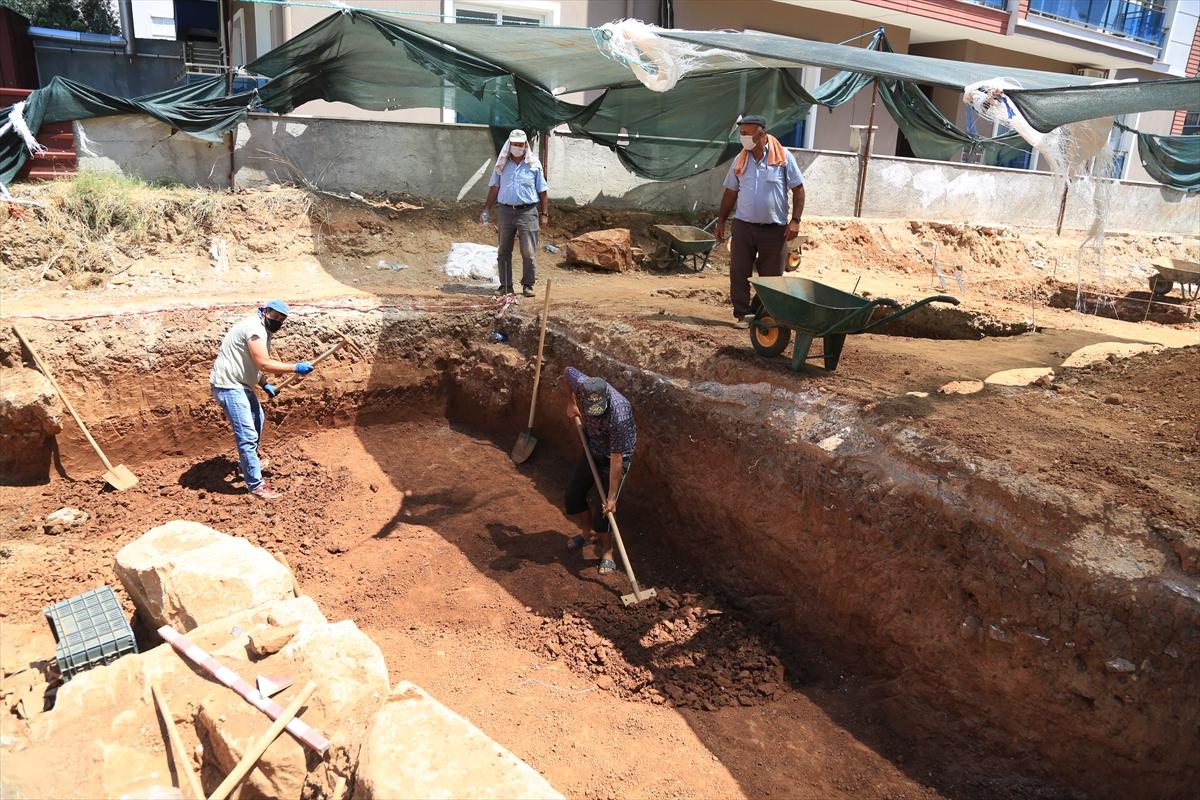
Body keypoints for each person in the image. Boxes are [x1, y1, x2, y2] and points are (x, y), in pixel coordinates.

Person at [209, 300, 315, 500]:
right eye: (275, 316)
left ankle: (246, 466)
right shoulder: (255, 329)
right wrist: (295, 367)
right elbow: (263, 363)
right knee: (247, 435)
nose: (278, 321)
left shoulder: (263, 330)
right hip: (229, 386)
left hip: (242, 384)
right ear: (265, 311)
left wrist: (264, 383)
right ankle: (256, 486)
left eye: (281, 319)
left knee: (258, 420)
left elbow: (250, 362)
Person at [714, 114, 806, 328]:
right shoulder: (740, 159)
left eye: (746, 133)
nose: (743, 137)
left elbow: (798, 189)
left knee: (772, 278)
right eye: (741, 133)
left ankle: (759, 312)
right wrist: (721, 220)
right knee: (739, 272)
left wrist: (795, 221)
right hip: (744, 227)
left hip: (775, 230)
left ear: (761, 134)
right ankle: (742, 314)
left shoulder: (783, 158)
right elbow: (731, 192)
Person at [563, 367, 636, 575]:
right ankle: (588, 533)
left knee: (604, 512)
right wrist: (571, 403)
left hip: (614, 456)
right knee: (573, 495)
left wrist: (611, 498)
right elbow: (567, 372)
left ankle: (607, 552)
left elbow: (616, 458)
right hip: (593, 446)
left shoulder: (619, 414)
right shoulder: (581, 383)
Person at [482, 129, 549, 298]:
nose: (517, 147)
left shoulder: (534, 164)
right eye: (514, 144)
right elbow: (495, 187)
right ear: (509, 145)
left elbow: (542, 190)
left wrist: (544, 213)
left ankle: (528, 285)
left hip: (528, 212)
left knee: (528, 252)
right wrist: (486, 209)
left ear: (525, 145)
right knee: (504, 250)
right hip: (505, 212)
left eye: (520, 144)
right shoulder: (502, 164)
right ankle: (506, 286)